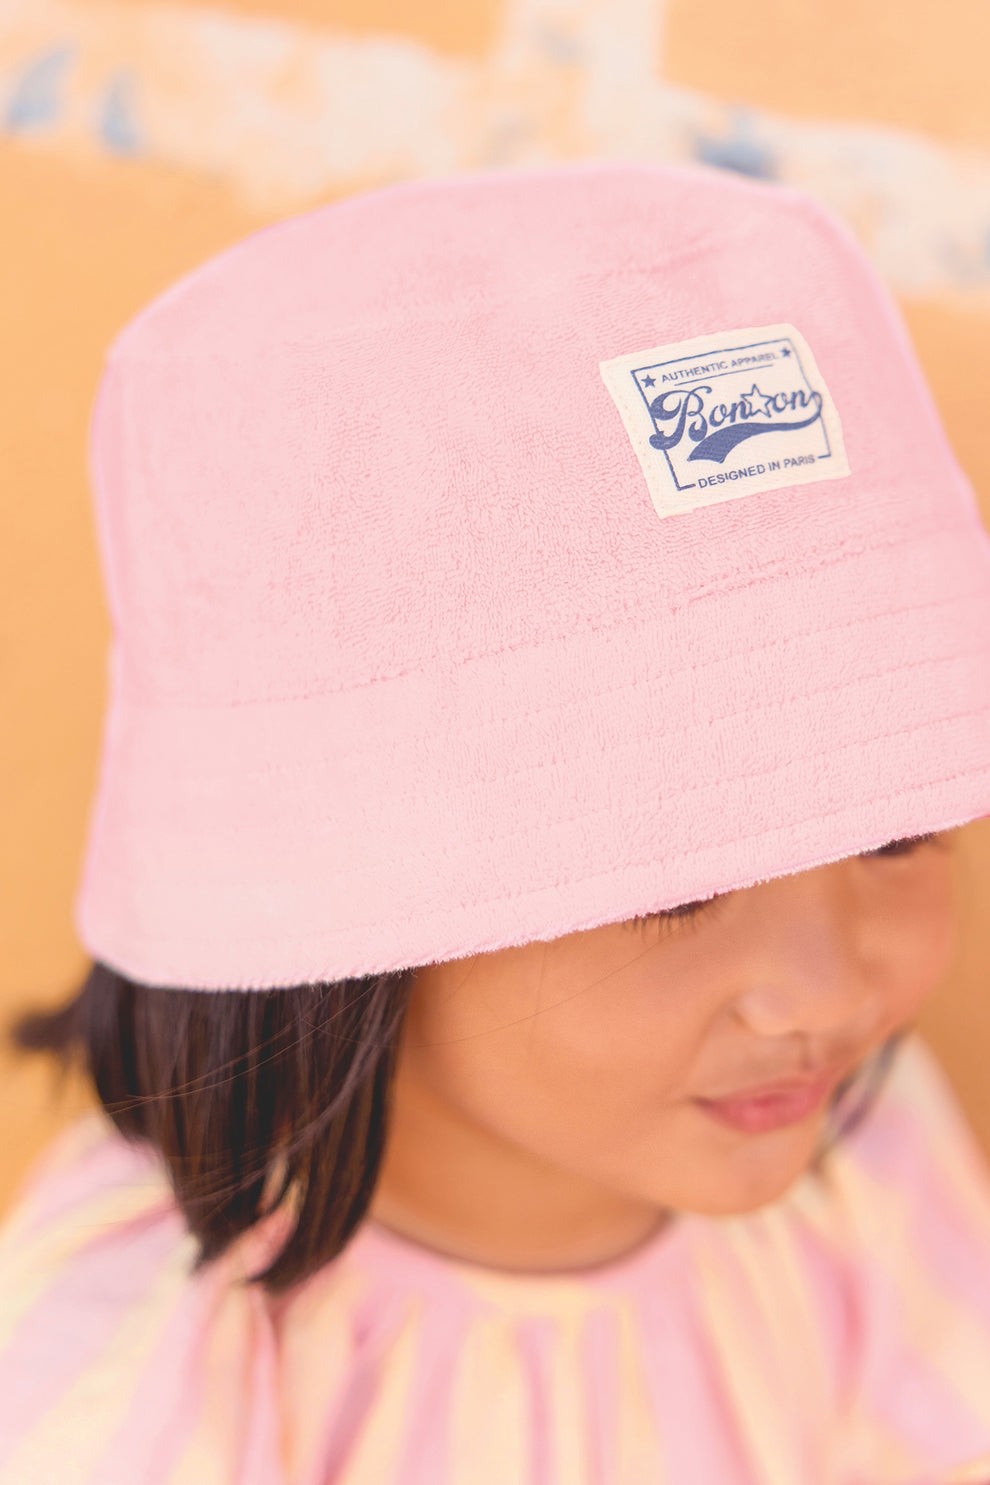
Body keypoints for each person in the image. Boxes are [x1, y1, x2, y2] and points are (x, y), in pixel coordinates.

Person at [2, 157, 990, 1484]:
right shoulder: (143, 1366)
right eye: (676, 880)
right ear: (322, 887)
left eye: (894, 831)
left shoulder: (862, 1155)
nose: (826, 989)